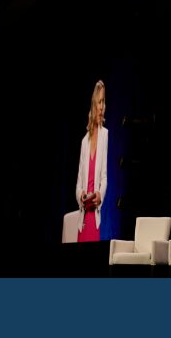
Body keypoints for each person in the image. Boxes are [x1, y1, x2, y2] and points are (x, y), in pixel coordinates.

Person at [74, 80, 109, 242]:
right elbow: (79, 182)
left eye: (104, 102)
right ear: (93, 105)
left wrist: (99, 195)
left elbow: (104, 176)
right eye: (99, 102)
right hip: (83, 216)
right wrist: (80, 194)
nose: (102, 107)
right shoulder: (84, 141)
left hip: (94, 214)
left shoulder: (105, 135)